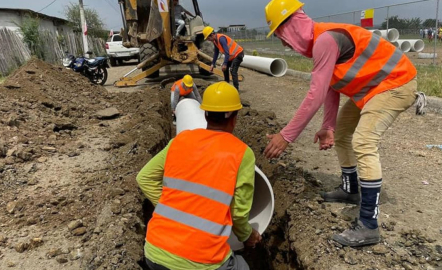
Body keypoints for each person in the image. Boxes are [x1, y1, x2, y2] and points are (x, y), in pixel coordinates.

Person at [263, 0, 420, 247]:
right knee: (344, 132)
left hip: (396, 85)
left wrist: (286, 136)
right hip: (372, 90)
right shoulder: (322, 42)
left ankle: (369, 225)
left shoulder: (325, 40)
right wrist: (328, 127)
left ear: (291, 26)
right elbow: (330, 89)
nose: (284, 43)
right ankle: (351, 190)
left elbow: (314, 95)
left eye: (282, 35)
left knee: (364, 141)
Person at [137, 81, 262, 270]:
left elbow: (144, 178)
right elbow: (238, 213)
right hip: (202, 261)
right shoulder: (241, 153)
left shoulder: (179, 141)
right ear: (234, 118)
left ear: (205, 114)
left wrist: (170, 205)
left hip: (154, 252)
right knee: (242, 266)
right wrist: (248, 235)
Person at [203, 26, 244, 91]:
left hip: (238, 54)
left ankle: (236, 90)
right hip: (232, 56)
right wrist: (212, 64)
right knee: (224, 69)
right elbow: (216, 53)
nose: (208, 40)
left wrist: (225, 64)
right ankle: (226, 86)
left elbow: (227, 52)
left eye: (208, 38)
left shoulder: (221, 39)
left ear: (212, 34)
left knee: (233, 71)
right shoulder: (215, 41)